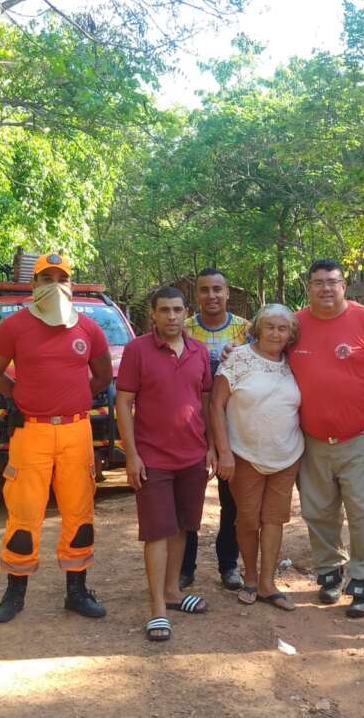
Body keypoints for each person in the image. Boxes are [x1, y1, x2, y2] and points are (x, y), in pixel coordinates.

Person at [0, 252, 112, 622]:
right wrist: (19, 395)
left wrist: (77, 396)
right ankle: (15, 593)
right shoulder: (14, 327)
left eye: (61, 278)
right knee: (23, 513)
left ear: (71, 285)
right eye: (45, 278)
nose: (54, 284)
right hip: (31, 433)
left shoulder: (88, 329)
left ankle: (77, 591)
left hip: (76, 431)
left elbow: (102, 376)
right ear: (34, 284)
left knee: (79, 512)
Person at [287, 259, 364, 618]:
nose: (325, 289)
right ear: (308, 287)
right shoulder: (295, 324)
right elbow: (265, 352)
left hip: (361, 436)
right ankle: (329, 572)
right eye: (317, 282)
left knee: (363, 510)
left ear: (344, 285)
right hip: (311, 438)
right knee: (318, 510)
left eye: (332, 282)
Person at [115, 287, 215, 642]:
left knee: (182, 527)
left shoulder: (199, 351)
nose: (171, 317)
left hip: (192, 455)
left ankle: (173, 592)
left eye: (177, 310)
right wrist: (131, 454)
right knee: (156, 530)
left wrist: (212, 447)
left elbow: (205, 401)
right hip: (152, 458)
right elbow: (123, 402)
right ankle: (157, 607)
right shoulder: (137, 350)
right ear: (153, 315)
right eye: (164, 311)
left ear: (186, 312)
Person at [211, 304, 304, 611]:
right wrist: (223, 451)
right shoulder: (237, 359)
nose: (276, 333)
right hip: (244, 455)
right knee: (248, 519)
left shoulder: (294, 363)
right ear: (257, 329)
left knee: (274, 520)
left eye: (283, 328)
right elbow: (216, 405)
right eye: (270, 327)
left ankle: (268, 584)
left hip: (287, 454)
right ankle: (249, 577)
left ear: (290, 334)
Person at [180, 268, 249, 592]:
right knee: (188, 499)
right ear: (196, 295)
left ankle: (228, 566)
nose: (212, 296)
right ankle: (184, 567)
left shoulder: (245, 331)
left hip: (231, 425)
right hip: (188, 425)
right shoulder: (183, 328)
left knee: (230, 501)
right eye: (205, 290)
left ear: (227, 293)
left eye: (217, 289)